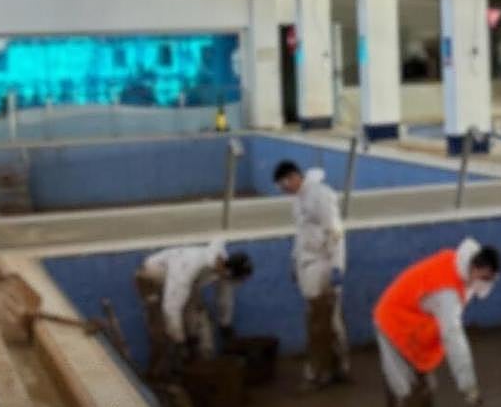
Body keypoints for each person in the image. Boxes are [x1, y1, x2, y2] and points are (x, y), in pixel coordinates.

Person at [374, 238, 501, 407]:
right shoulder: (447, 294)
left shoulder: (463, 264)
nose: (486, 285)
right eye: (484, 278)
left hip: (409, 319)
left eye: (491, 279)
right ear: (475, 268)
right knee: (416, 391)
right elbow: (454, 339)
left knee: (399, 386)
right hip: (395, 325)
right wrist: (468, 385)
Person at [273, 160, 349, 392]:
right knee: (329, 320)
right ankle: (337, 368)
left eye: (284, 183)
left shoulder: (320, 196)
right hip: (309, 264)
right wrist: (295, 263)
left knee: (318, 321)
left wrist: (336, 266)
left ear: (294, 176)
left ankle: (318, 373)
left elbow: (335, 231)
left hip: (323, 263)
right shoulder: (299, 200)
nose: (284, 189)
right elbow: (301, 234)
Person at [134, 240, 253, 383]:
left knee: (199, 322)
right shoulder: (190, 266)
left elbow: (224, 299)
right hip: (152, 277)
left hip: (188, 282)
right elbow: (171, 307)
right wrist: (179, 341)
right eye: (231, 278)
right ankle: (158, 379)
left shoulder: (224, 267)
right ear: (226, 270)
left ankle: (197, 370)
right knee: (161, 330)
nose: (229, 281)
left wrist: (225, 324)